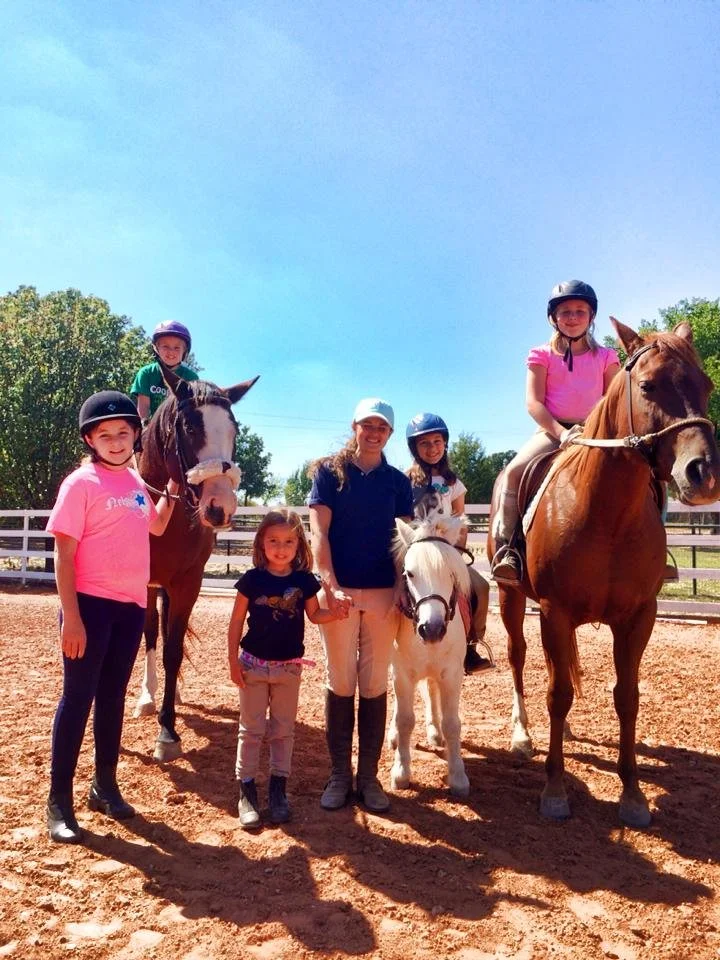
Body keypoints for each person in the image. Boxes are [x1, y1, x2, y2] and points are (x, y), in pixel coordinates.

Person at [46, 391, 179, 844]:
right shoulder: (80, 484)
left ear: (135, 435)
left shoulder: (136, 483)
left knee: (113, 698)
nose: (117, 441)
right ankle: (59, 801)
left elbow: (156, 525)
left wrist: (173, 490)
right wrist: (72, 617)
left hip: (131, 607)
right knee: (77, 698)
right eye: (105, 435)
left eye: (124, 432)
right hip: (89, 606)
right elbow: (64, 556)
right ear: (90, 439)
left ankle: (104, 785)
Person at [309, 398, 414, 814]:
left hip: (383, 594)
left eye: (381, 428)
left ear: (390, 434)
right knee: (340, 680)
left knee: (373, 683)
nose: (373, 433)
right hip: (339, 592)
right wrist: (329, 584)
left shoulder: (397, 482)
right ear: (354, 426)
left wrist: (402, 586)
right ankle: (339, 774)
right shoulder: (328, 473)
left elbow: (403, 541)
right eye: (367, 425)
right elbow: (319, 531)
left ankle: (368, 777)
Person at [490, 280, 620, 584]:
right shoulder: (541, 354)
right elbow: (533, 403)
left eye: (580, 311)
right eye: (565, 312)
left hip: (597, 432)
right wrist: (562, 434)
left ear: (591, 316)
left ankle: (656, 551)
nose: (572, 317)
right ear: (554, 317)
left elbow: (613, 398)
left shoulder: (606, 356)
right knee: (514, 472)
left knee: (649, 469)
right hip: (552, 431)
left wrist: (596, 430)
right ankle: (508, 549)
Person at [227, 509, 345, 830]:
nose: (281, 548)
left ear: (299, 545)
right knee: (251, 730)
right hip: (252, 665)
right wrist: (232, 660)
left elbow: (315, 616)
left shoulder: (303, 582)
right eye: (274, 541)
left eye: (288, 542)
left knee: (283, 730)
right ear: (261, 543)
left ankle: (278, 791)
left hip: (289, 669)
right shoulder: (251, 581)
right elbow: (236, 621)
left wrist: (335, 614)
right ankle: (247, 792)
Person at [405, 412, 494, 674]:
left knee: (480, 587)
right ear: (414, 448)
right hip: (417, 553)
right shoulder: (405, 481)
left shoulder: (454, 484)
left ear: (445, 444)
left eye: (437, 442)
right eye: (424, 443)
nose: (432, 448)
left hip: (447, 553)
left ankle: (472, 646)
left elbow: (460, 520)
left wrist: (456, 552)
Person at [129, 320, 199, 423]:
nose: (171, 352)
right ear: (156, 348)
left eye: (177, 348)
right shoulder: (146, 373)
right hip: (154, 425)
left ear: (185, 351)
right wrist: (144, 426)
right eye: (165, 346)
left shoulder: (191, 378)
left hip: (180, 426)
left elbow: (193, 409)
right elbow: (144, 407)